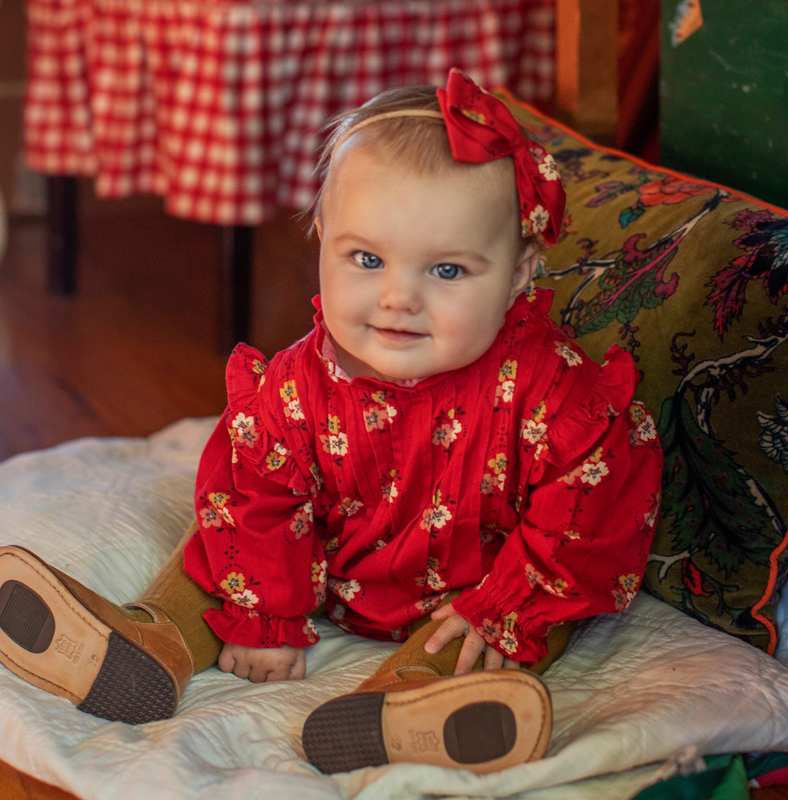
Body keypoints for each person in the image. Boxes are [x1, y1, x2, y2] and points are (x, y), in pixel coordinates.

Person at [0, 69, 663, 775]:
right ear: (321, 240)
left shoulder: (550, 392)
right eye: (368, 259)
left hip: (476, 588)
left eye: (446, 272)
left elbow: (590, 511)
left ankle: (409, 701)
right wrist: (266, 615)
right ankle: (150, 645)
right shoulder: (297, 385)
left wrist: (506, 604)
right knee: (222, 535)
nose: (397, 297)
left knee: (508, 630)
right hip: (319, 554)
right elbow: (257, 496)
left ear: (520, 274)